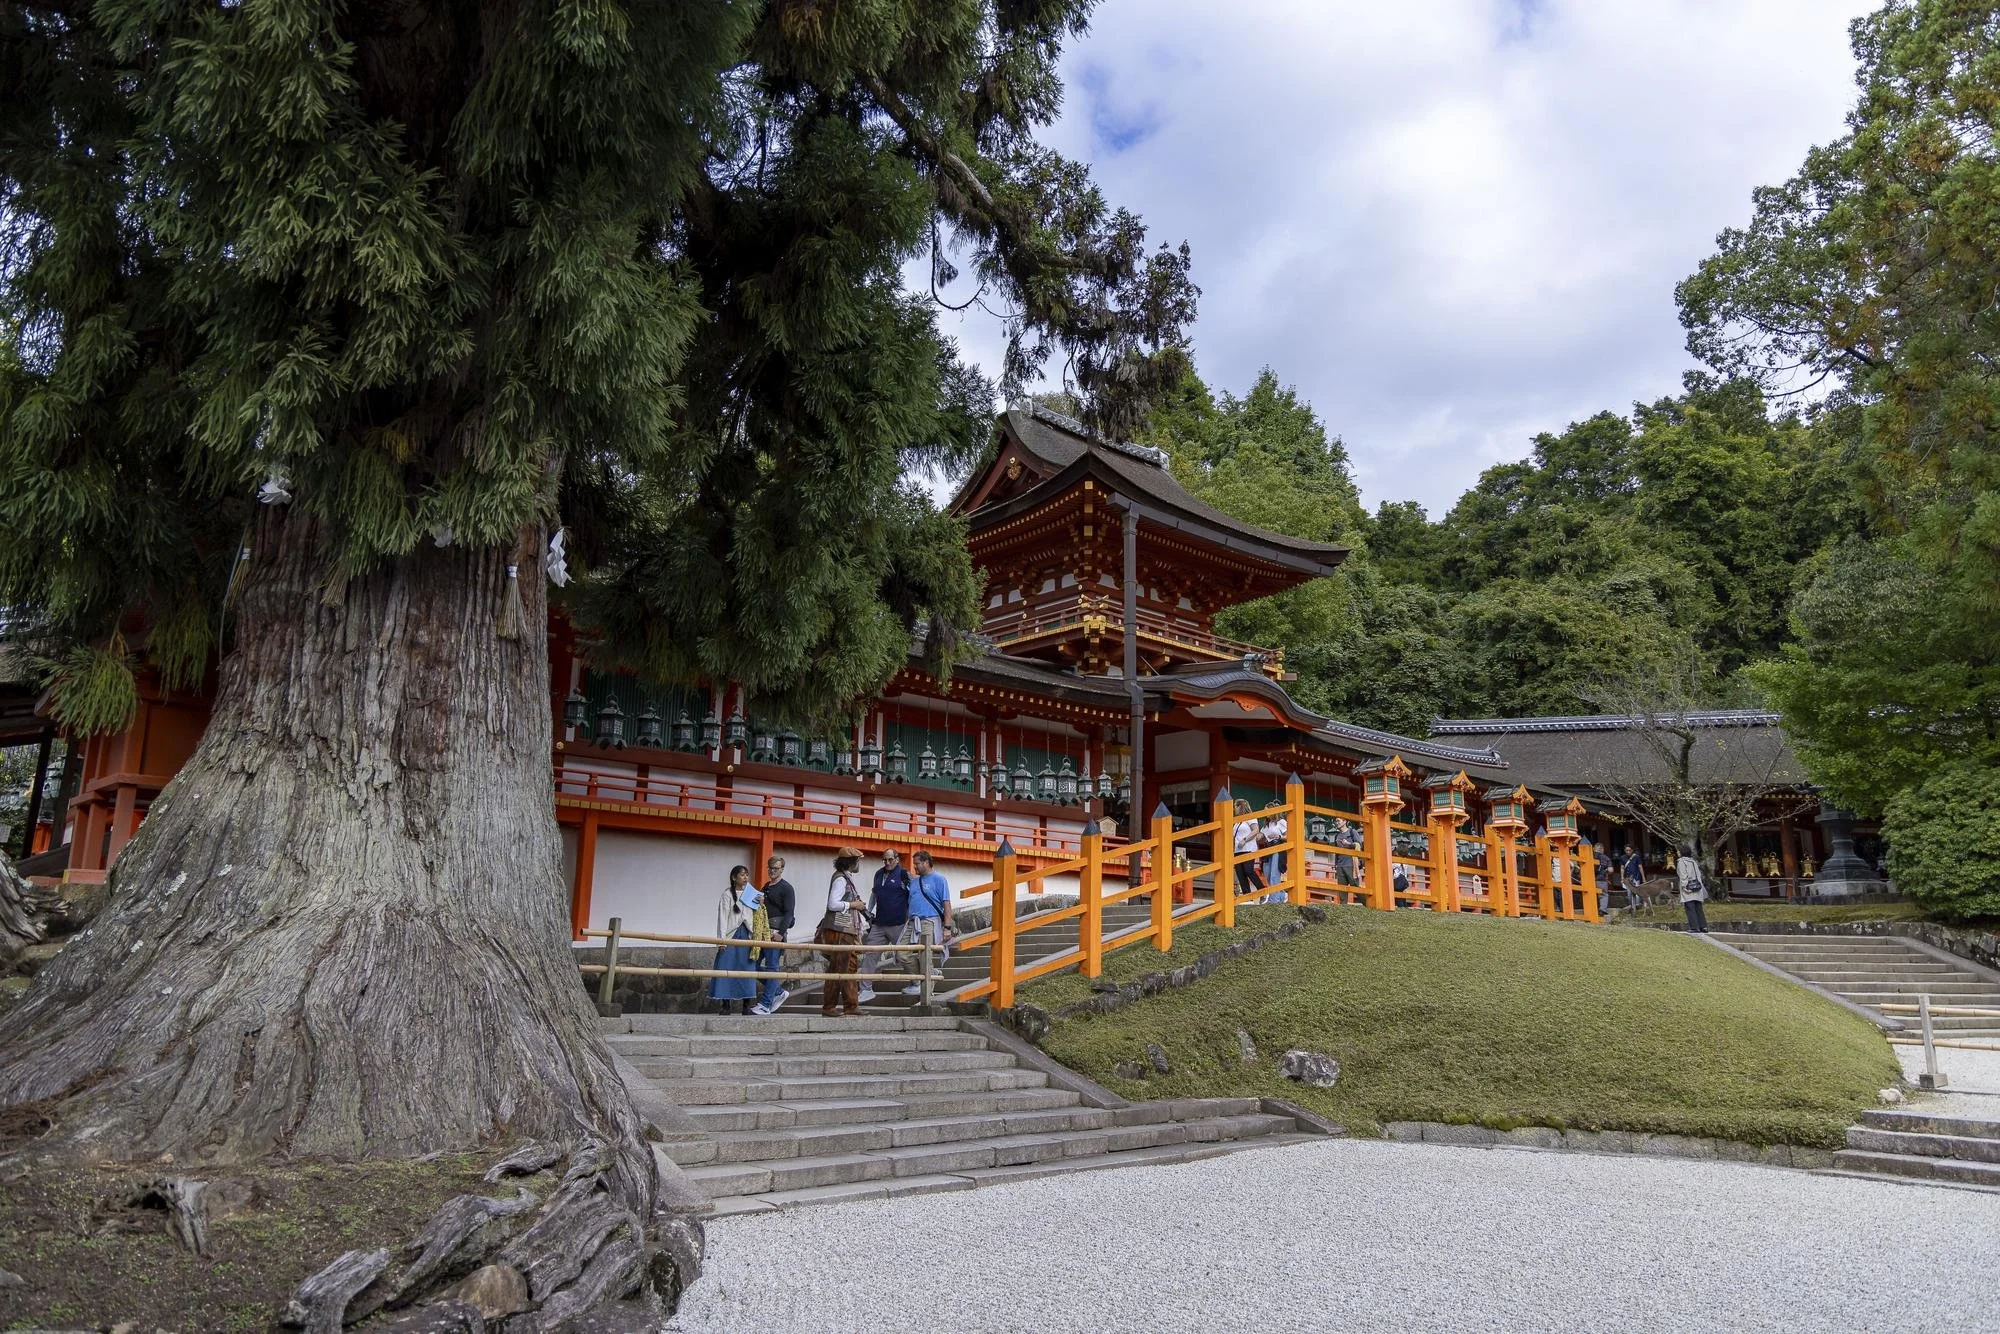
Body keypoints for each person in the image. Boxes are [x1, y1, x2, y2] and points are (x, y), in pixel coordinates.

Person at [818, 849, 868, 1017]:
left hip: (845, 929)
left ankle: (851, 1005)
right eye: (857, 861)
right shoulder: (840, 879)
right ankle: (830, 1006)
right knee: (838, 968)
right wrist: (853, 905)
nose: (858, 865)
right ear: (851, 862)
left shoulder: (844, 877)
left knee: (849, 967)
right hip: (840, 929)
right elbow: (833, 904)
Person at [858, 849, 911, 1003]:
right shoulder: (878, 874)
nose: (887, 863)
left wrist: (911, 919)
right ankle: (865, 988)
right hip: (879, 923)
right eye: (884, 860)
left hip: (898, 923)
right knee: (870, 954)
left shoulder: (903, 875)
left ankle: (916, 982)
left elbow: (911, 896)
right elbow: (874, 893)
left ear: (897, 859)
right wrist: (868, 911)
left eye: (890, 860)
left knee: (904, 956)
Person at [902, 849, 954, 996]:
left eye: (917, 864)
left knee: (925, 955)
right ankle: (923, 978)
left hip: (929, 921)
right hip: (912, 922)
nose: (915, 867)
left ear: (925, 862)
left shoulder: (939, 879)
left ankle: (926, 994)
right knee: (901, 953)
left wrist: (947, 927)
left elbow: (946, 904)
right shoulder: (914, 881)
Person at [709, 866, 760, 1015]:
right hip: (731, 935)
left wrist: (761, 903)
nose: (745, 877)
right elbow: (723, 918)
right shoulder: (727, 895)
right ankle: (725, 1005)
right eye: (742, 875)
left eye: (747, 875)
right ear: (734, 878)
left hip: (746, 933)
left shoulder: (751, 894)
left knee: (747, 968)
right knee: (726, 968)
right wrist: (722, 940)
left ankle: (746, 1005)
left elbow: (757, 916)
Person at [750, 854, 795, 1016]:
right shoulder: (766, 887)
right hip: (763, 931)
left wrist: (781, 933)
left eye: (776, 868)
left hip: (776, 930)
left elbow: (790, 912)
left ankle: (766, 1004)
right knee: (752, 965)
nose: (772, 871)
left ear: (782, 869)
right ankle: (778, 991)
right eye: (770, 868)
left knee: (772, 967)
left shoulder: (787, 888)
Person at [1231, 798, 1261, 900]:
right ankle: (1247, 898)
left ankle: (1262, 890)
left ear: (1240, 806)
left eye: (1235, 806)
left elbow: (1256, 830)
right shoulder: (1236, 822)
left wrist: (1245, 839)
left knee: (1248, 870)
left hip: (1248, 848)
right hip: (1237, 850)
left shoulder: (1250, 817)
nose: (1234, 809)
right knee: (1240, 874)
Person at [1675, 845, 1709, 934]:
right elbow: (1698, 874)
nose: (1677, 852)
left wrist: (1684, 886)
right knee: (1698, 907)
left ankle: (1694, 927)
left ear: (1682, 852)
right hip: (1697, 886)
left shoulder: (1681, 862)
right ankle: (1703, 926)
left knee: (1690, 907)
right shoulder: (1693, 861)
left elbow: (1683, 875)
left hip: (1688, 887)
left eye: (1678, 851)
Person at [1259, 802, 1289, 902]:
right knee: (1267, 873)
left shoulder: (1281, 822)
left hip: (1278, 847)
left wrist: (1278, 836)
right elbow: (1260, 837)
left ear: (1273, 811)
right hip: (1268, 848)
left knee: (1274, 874)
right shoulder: (1266, 825)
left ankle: (1274, 900)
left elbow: (1289, 835)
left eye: (1267, 810)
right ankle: (1281, 894)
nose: (1265, 812)